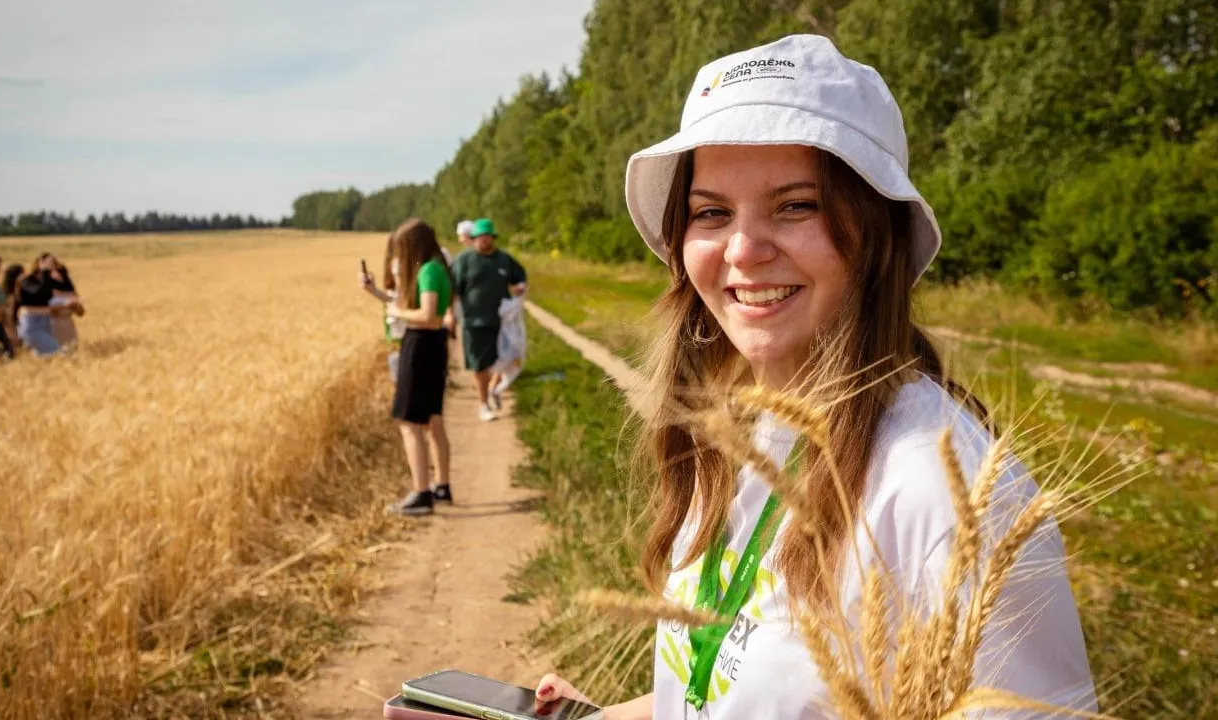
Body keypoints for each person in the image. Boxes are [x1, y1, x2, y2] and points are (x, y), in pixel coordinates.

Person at [534, 35, 1095, 720]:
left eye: (795, 205)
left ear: (875, 233)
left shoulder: (938, 493)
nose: (744, 249)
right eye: (711, 212)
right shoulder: (737, 437)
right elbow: (727, 692)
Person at [361, 218, 456, 515]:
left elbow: (428, 316)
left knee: (408, 422)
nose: (399, 256)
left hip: (420, 346)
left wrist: (396, 310)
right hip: (434, 346)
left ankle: (421, 493)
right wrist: (378, 293)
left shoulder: (427, 270)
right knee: (433, 419)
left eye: (402, 249)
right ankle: (442, 486)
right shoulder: (438, 268)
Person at [449, 218, 526, 421]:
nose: (483, 240)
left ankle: (493, 390)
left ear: (492, 238)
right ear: (473, 239)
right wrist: (451, 315)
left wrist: (519, 287)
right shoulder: (463, 261)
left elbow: (520, 278)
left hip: (501, 322)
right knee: (479, 365)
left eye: (486, 237)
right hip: (473, 322)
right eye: (478, 237)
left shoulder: (503, 260)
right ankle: (483, 404)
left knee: (500, 362)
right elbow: (453, 290)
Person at [15, 254, 64, 357]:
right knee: (58, 353)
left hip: (45, 322)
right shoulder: (26, 280)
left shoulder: (47, 280)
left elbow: (50, 298)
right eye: (49, 265)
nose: (52, 268)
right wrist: (45, 273)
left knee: (44, 357)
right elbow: (38, 292)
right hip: (32, 323)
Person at [47, 258, 85, 349]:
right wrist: (64, 306)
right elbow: (45, 310)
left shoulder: (70, 292)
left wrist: (76, 306)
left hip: (68, 325)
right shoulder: (43, 290)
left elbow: (81, 313)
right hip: (51, 325)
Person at [0, 263, 25, 349]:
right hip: (12, 331)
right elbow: (8, 318)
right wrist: (14, 335)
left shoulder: (5, 293)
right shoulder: (10, 297)